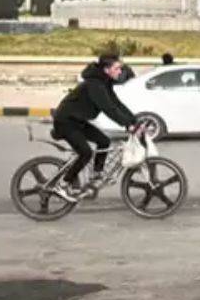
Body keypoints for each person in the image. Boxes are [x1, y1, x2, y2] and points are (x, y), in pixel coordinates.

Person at [52, 54, 138, 200]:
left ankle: (96, 176)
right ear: (106, 69)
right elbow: (108, 108)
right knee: (85, 153)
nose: (120, 72)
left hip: (77, 121)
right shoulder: (95, 85)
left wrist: (134, 121)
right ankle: (62, 184)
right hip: (66, 122)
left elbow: (116, 104)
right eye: (117, 68)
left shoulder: (104, 83)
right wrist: (126, 124)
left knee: (104, 141)